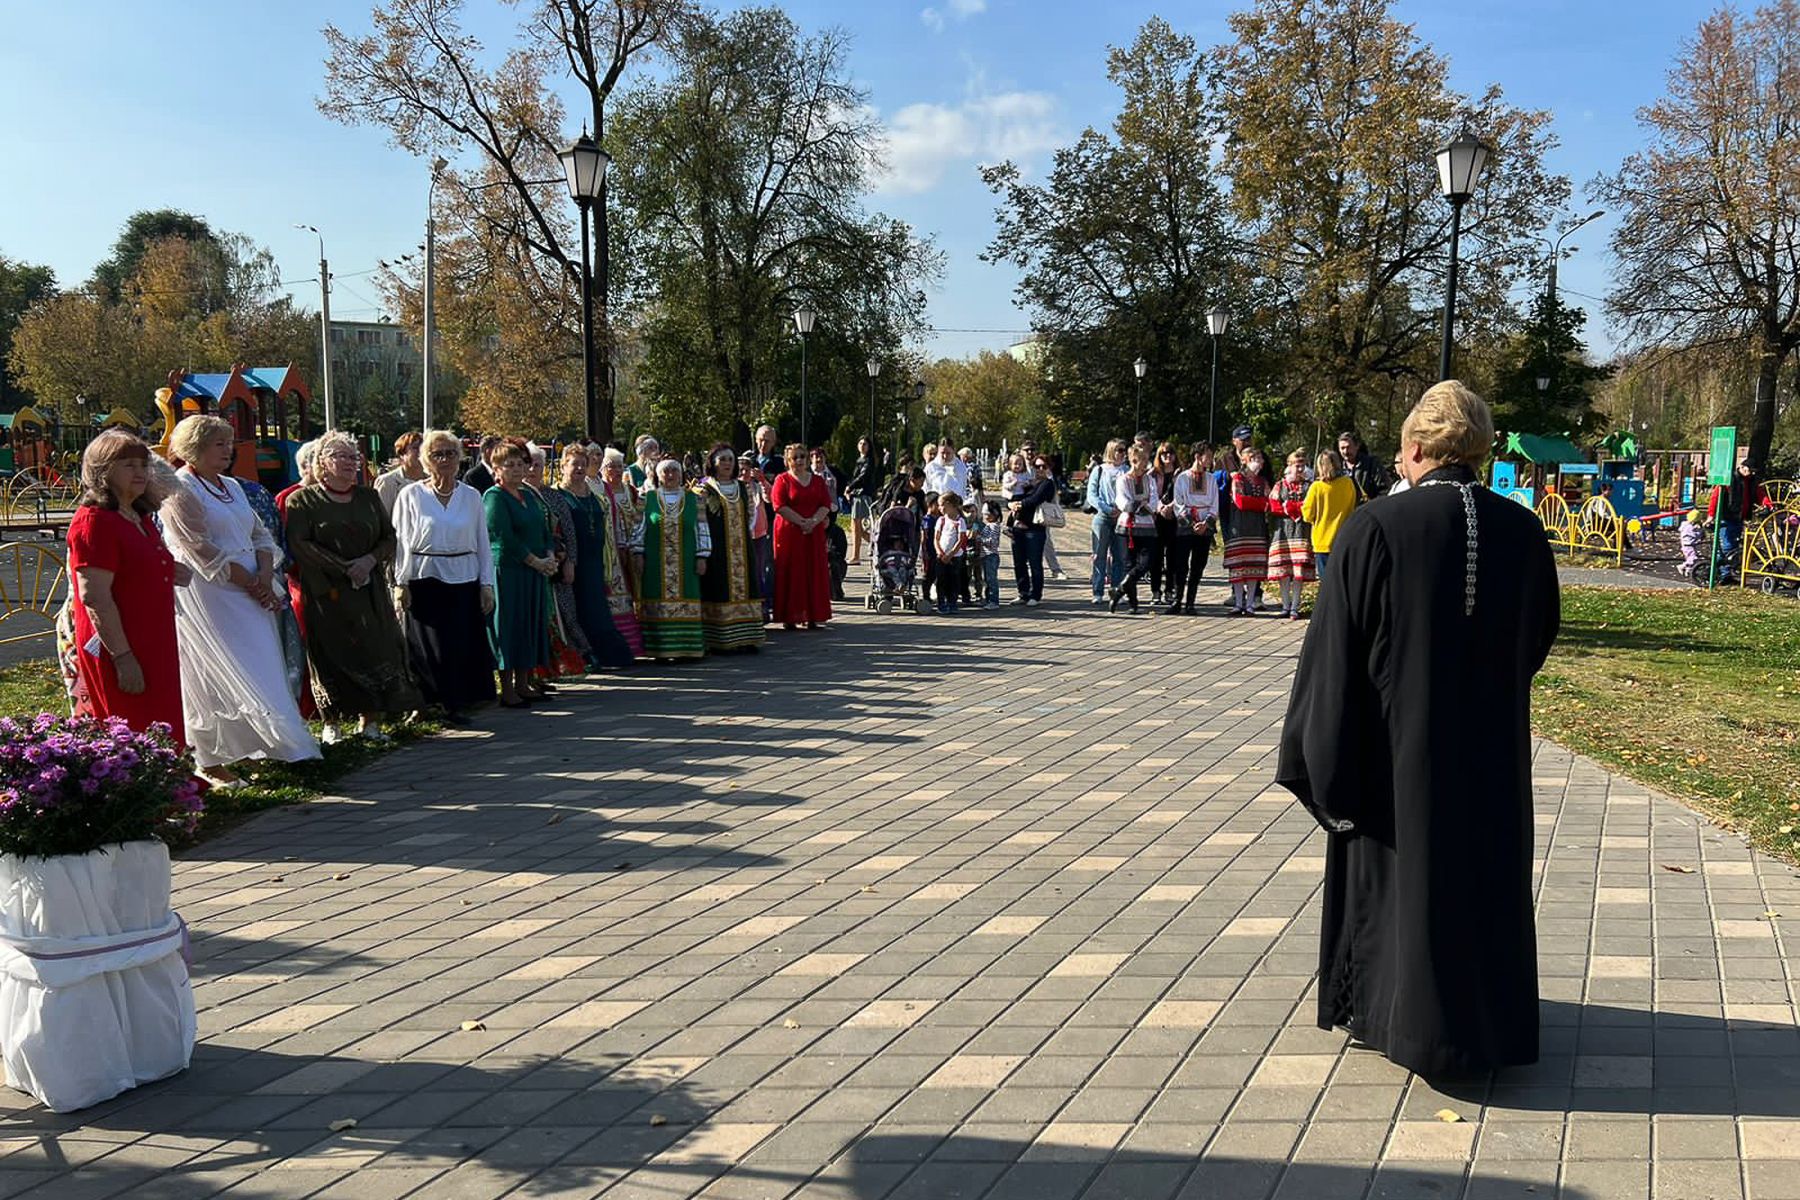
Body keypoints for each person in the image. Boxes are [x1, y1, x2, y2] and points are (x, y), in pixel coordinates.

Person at [1276, 379, 1560, 1078]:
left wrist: (1324, 757)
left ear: (1414, 448)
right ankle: (1487, 1019)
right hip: (1490, 740)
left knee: (1402, 873)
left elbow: (1334, 654)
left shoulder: (1374, 528)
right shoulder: (1522, 529)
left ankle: (1401, 1015)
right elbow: (1538, 638)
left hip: (1394, 749)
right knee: (1483, 871)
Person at [162, 415, 320, 784]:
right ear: (194, 447)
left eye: (228, 443)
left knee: (258, 663)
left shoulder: (231, 485)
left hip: (252, 592)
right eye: (218, 444)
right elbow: (200, 548)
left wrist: (265, 576)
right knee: (215, 670)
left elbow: (260, 535)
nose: (227, 451)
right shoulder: (181, 488)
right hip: (212, 594)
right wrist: (251, 582)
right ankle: (210, 757)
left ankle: (250, 746)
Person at [285, 431, 422, 742]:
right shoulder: (302, 500)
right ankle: (332, 722)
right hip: (326, 592)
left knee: (374, 648)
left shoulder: (368, 497)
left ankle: (369, 720)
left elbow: (389, 537)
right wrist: (346, 568)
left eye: (353, 456)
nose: (349, 462)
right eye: (340, 456)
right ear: (321, 462)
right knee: (331, 652)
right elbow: (300, 543)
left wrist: (369, 561)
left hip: (369, 588)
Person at [65, 430, 188, 740]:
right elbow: (94, 596)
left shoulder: (137, 514)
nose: (140, 472)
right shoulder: (95, 521)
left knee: (161, 715)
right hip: (120, 640)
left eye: (143, 465)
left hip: (152, 634)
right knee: (130, 720)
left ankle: (170, 782)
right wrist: (123, 657)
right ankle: (142, 785)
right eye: (129, 465)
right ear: (103, 472)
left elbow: (133, 562)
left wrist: (169, 569)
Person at [392, 431, 497, 723]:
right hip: (425, 578)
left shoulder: (471, 496)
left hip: (464, 577)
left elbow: (482, 543)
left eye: (451, 453)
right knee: (427, 646)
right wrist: (401, 581)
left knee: (459, 643)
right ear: (426, 459)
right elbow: (402, 541)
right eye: (438, 454)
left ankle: (456, 703)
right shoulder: (411, 495)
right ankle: (425, 702)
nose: (445, 459)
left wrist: (486, 584)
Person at [484, 438, 556, 706]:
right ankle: (507, 688)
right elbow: (502, 536)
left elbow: (543, 528)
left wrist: (549, 555)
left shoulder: (527, 495)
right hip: (510, 571)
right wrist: (534, 561)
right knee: (509, 626)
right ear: (496, 469)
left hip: (535, 571)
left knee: (529, 623)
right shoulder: (493, 497)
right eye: (508, 465)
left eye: (519, 464)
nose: (516, 469)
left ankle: (524, 682)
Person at [551, 445, 635, 669]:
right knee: (579, 611)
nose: (579, 468)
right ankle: (584, 655)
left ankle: (608, 655)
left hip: (596, 561)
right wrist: (567, 560)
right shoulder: (558, 495)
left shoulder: (593, 493)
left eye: (582, 463)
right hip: (573, 563)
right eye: (573, 463)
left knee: (597, 609)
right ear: (563, 466)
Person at [631, 457, 712, 658]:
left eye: (674, 471)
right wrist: (638, 553)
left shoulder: (694, 499)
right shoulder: (647, 499)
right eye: (665, 472)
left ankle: (688, 648)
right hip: (655, 564)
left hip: (686, 562)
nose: (670, 475)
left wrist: (702, 555)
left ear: (681, 474)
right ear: (658, 476)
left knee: (688, 598)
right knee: (656, 600)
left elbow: (701, 528)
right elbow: (638, 528)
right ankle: (660, 648)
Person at [695, 446, 767, 652]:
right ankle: (721, 639)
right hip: (717, 550)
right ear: (713, 463)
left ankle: (747, 637)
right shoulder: (703, 489)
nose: (727, 463)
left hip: (742, 549)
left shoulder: (742, 488)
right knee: (720, 588)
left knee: (747, 588)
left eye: (730, 459)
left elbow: (751, 515)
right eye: (723, 460)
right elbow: (700, 521)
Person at [769, 442, 834, 629]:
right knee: (792, 572)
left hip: (813, 533)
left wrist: (813, 522)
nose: (799, 460)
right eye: (794, 457)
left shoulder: (818, 481)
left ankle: (813, 615)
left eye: (802, 456)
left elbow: (825, 504)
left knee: (813, 571)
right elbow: (779, 506)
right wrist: (802, 522)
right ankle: (790, 616)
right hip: (790, 533)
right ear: (788, 461)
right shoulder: (782, 480)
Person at [596, 448, 647, 658]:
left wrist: (633, 547)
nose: (616, 470)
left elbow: (639, 521)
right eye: (611, 466)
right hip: (612, 551)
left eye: (619, 466)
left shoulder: (631, 491)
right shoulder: (601, 491)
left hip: (630, 549)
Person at [1169, 442, 1219, 615]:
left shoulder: (1211, 479)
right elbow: (1179, 503)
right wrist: (1191, 523)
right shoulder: (1182, 478)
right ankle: (1177, 600)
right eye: (1208, 456)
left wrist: (1205, 523)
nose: (1211, 460)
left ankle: (1191, 602)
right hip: (1186, 526)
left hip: (1204, 527)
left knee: (1198, 565)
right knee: (1181, 564)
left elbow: (1214, 505)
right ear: (1198, 456)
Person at [1108, 444, 1159, 614]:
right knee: (1128, 564)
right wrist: (1140, 505)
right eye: (1142, 461)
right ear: (1133, 461)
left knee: (1146, 562)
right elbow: (1124, 502)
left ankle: (1120, 589)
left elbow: (1154, 501)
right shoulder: (1123, 479)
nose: (1145, 464)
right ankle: (1133, 603)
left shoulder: (1149, 480)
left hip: (1147, 527)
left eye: (1146, 460)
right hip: (1127, 527)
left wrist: (1144, 506)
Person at [1265, 449, 1315, 620]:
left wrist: (1293, 507)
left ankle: (1295, 606)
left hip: (1302, 531)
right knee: (1284, 570)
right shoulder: (1280, 485)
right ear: (1289, 466)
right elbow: (1273, 505)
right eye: (1296, 465)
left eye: (1302, 465)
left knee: (1298, 570)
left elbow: (1311, 505)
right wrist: (1290, 508)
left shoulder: (1310, 485)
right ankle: (1285, 605)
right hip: (1283, 532)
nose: (1299, 469)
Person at [1225, 448, 1274, 615]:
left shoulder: (1262, 481)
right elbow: (1240, 501)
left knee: (1254, 566)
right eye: (1254, 458)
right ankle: (1239, 602)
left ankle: (1251, 602)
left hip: (1257, 527)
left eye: (1260, 459)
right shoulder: (1238, 478)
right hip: (1239, 528)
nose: (1259, 462)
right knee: (1239, 565)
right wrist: (1260, 504)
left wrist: (1261, 503)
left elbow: (1270, 501)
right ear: (1245, 460)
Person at [1007, 453, 1057, 607]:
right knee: (1019, 562)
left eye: (1043, 466)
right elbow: (1011, 496)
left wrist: (1018, 504)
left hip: (1035, 528)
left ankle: (1036, 594)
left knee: (1035, 563)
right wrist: (1011, 503)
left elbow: (1035, 500)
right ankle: (1023, 593)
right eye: (1037, 466)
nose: (1040, 469)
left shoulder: (1048, 484)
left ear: (1048, 468)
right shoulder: (1028, 482)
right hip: (1018, 527)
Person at [1302, 449, 1358, 580]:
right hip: (1344, 537)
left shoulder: (1316, 487)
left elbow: (1307, 515)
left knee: (1327, 581)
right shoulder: (1348, 483)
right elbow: (1352, 505)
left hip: (1322, 540)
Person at [1088, 439, 1127, 607]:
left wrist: (1122, 508)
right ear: (1111, 451)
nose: (1122, 453)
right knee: (1099, 555)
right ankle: (1097, 591)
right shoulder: (1100, 470)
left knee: (1120, 556)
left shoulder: (1127, 470)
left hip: (1122, 515)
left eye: (1124, 450)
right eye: (1119, 450)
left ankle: (1117, 590)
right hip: (1103, 516)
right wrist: (1106, 509)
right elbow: (1092, 495)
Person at [1019, 439, 1066, 579]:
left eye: (1032, 449)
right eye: (1026, 450)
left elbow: (1049, 485)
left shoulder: (1042, 464)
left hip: (1041, 508)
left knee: (1046, 539)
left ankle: (1055, 569)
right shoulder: (1019, 466)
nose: (1029, 452)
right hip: (1025, 510)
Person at [1149, 442, 1180, 605]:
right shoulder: (1153, 474)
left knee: (1173, 557)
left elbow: (1183, 495)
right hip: (1157, 518)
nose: (1167, 456)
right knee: (1156, 557)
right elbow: (1150, 494)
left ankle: (1170, 590)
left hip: (1174, 518)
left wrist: (1171, 507)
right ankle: (1156, 591)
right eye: (1163, 454)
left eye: (1170, 453)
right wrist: (1161, 507)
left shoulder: (1180, 474)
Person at [846, 436, 881, 565]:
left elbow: (863, 477)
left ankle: (856, 555)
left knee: (857, 526)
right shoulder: (859, 460)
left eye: (865, 444)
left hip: (863, 495)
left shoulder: (869, 460)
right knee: (855, 526)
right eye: (860, 443)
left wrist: (850, 487)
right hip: (857, 494)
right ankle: (875, 544)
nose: (862, 446)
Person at [932, 493, 968, 614]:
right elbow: (936, 539)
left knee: (954, 580)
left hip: (955, 557)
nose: (939, 508)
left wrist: (951, 554)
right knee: (941, 580)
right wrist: (940, 553)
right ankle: (941, 603)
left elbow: (960, 540)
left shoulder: (960, 521)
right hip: (941, 557)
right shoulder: (941, 520)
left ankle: (952, 603)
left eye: (941, 505)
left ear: (948, 505)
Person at [374, 431, 425, 514]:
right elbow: (381, 518)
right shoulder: (387, 482)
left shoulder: (432, 480)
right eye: (415, 448)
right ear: (402, 453)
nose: (421, 452)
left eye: (424, 448)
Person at [1338, 430, 1384, 502]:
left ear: (1357, 446)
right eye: (1342, 448)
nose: (1345, 452)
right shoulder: (1338, 469)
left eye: (1348, 447)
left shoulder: (1371, 464)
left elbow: (1384, 490)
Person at [977, 500, 1003, 609]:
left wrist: (980, 539)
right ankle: (988, 599)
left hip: (991, 556)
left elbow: (993, 542)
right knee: (987, 579)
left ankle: (994, 601)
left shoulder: (993, 526)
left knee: (991, 579)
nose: (985, 517)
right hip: (986, 555)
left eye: (987, 514)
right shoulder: (989, 525)